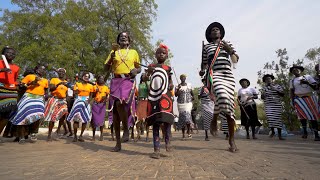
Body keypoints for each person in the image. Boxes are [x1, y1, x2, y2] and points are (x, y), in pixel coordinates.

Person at [199, 22, 239, 152]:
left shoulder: (227, 44)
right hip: (215, 75)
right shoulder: (207, 47)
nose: (215, 31)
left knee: (228, 107)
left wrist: (230, 50)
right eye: (213, 30)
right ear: (210, 35)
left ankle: (231, 140)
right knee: (221, 95)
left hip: (228, 76)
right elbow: (204, 64)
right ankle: (215, 118)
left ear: (220, 33)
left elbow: (235, 60)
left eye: (217, 30)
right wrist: (201, 71)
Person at [104, 31, 141, 152]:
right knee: (115, 113)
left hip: (127, 81)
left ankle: (126, 128)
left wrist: (136, 70)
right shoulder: (113, 52)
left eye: (125, 37)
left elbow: (139, 67)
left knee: (121, 102)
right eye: (121, 37)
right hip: (115, 81)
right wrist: (111, 60)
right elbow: (105, 68)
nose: (123, 38)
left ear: (129, 40)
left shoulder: (133, 52)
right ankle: (118, 144)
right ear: (118, 40)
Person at [145, 43, 174, 159]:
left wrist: (171, 85)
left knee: (166, 120)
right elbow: (145, 78)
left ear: (166, 56)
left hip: (165, 97)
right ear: (155, 55)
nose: (161, 54)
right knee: (155, 122)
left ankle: (167, 142)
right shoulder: (151, 66)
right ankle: (156, 149)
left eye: (163, 53)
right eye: (159, 52)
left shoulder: (168, 68)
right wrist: (148, 71)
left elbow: (170, 81)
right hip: (153, 97)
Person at [11, 64, 48, 143]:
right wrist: (32, 83)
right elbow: (21, 86)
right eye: (41, 69)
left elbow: (46, 90)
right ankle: (21, 136)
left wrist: (46, 95)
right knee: (24, 116)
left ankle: (33, 133)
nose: (43, 71)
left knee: (37, 116)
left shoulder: (45, 80)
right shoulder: (29, 76)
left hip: (39, 99)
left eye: (44, 70)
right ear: (36, 69)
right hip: (28, 97)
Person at [289, 65, 320, 141]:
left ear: (301, 70)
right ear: (292, 72)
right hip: (298, 99)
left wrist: (307, 83)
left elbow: (316, 87)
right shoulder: (292, 81)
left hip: (310, 98)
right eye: (293, 70)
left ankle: (316, 135)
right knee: (302, 117)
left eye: (297, 69)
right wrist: (292, 102)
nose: (295, 70)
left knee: (313, 117)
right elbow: (292, 91)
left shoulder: (308, 77)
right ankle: (305, 132)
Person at [67, 72, 94, 142]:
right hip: (78, 100)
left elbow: (91, 95)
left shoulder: (91, 86)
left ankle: (81, 135)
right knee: (76, 119)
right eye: (85, 76)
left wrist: (88, 101)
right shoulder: (77, 84)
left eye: (88, 77)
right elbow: (75, 93)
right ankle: (75, 136)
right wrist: (75, 89)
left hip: (86, 102)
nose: (86, 78)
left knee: (84, 119)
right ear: (82, 77)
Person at [0, 46, 20, 141]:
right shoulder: (0, 63)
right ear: (3, 54)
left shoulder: (16, 67)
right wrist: (1, 70)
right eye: (9, 53)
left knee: (8, 113)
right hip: (0, 88)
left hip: (11, 91)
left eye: (13, 53)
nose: (11, 55)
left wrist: (18, 84)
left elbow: (14, 80)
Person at [44, 68, 69, 141]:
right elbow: (51, 88)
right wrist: (59, 84)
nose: (61, 73)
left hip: (63, 100)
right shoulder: (54, 79)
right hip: (55, 99)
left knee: (64, 114)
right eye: (60, 71)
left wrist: (67, 98)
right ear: (58, 73)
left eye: (63, 72)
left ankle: (58, 130)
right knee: (53, 117)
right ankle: (49, 134)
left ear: (64, 74)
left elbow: (66, 92)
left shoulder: (66, 82)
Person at [261, 74, 285, 140]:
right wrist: (263, 94)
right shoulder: (264, 88)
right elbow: (262, 97)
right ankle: (273, 131)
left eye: (269, 79)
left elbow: (282, 94)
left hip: (277, 104)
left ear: (272, 79)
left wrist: (275, 89)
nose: (268, 80)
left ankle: (280, 135)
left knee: (278, 119)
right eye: (266, 79)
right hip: (268, 105)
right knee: (270, 118)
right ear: (265, 81)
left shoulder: (277, 86)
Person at [91, 75, 109, 141]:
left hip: (102, 105)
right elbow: (92, 96)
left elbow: (107, 96)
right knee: (94, 120)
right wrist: (96, 91)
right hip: (95, 105)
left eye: (102, 79)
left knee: (102, 120)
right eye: (100, 78)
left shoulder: (106, 88)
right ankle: (93, 136)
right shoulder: (94, 87)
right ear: (97, 80)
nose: (101, 80)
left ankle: (101, 135)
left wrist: (105, 99)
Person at [175, 74, 194, 140]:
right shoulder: (177, 86)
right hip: (180, 104)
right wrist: (178, 89)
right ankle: (183, 134)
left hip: (188, 103)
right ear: (180, 79)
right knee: (183, 118)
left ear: (185, 78)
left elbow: (192, 93)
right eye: (182, 77)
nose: (183, 78)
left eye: (184, 77)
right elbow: (176, 95)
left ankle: (188, 131)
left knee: (188, 118)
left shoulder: (189, 85)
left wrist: (193, 98)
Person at [135, 74, 149, 141]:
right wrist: (137, 101)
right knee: (138, 119)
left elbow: (149, 91)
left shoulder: (148, 83)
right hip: (140, 101)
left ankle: (147, 136)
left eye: (144, 75)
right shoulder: (139, 85)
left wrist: (146, 82)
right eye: (142, 76)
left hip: (146, 101)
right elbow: (138, 94)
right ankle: (138, 135)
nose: (144, 76)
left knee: (147, 120)